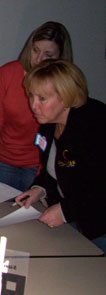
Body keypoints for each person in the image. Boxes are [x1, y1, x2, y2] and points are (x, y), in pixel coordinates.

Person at [15, 60, 106, 254]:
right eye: (31, 96)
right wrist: (40, 189)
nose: (34, 105)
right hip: (77, 221)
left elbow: (99, 187)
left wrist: (65, 210)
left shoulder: (95, 125)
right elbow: (54, 169)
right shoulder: (49, 124)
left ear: (66, 97)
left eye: (42, 98)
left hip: (100, 226)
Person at [0, 21, 73, 191]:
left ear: (60, 58)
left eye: (48, 54)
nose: (39, 59)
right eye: (35, 51)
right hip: (4, 161)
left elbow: (61, 134)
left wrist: (44, 179)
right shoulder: (8, 73)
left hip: (40, 164)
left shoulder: (65, 85)